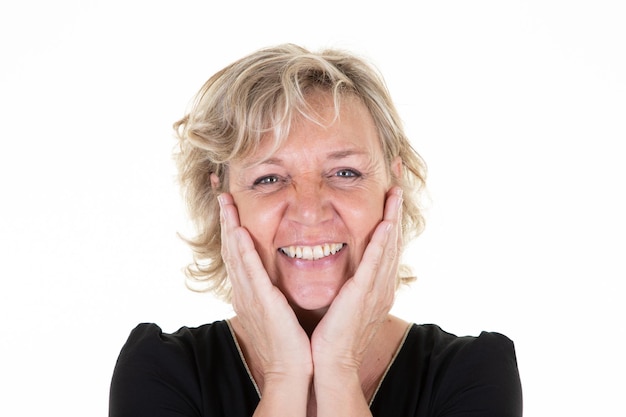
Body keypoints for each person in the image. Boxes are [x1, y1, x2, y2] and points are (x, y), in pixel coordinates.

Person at [109, 43, 522, 417]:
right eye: (269, 178)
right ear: (221, 198)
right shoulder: (160, 372)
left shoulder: (473, 374)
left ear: (392, 187)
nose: (309, 210)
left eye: (345, 172)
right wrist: (285, 373)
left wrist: (338, 368)